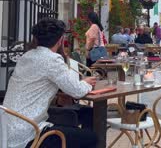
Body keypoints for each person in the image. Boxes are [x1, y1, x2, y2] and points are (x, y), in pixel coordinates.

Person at [3, 18, 97, 148]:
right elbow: (78, 91)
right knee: (91, 138)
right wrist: (87, 82)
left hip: (7, 129)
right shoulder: (51, 59)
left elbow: (35, 88)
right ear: (60, 40)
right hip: (28, 133)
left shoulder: (27, 56)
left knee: (86, 114)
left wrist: (57, 99)